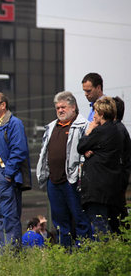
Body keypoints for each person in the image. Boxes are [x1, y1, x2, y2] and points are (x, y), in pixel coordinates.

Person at [36, 91, 91, 247]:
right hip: (53, 181)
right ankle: (64, 254)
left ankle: (83, 252)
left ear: (73, 107)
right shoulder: (51, 127)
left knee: (80, 219)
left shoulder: (83, 125)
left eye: (63, 107)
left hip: (73, 180)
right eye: (57, 108)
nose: (60, 110)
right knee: (59, 222)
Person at [0, 92, 31, 248]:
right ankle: (5, 255)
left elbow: (19, 150)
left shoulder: (14, 123)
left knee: (10, 218)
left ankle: (13, 256)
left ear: (3, 105)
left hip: (4, 178)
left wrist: (8, 174)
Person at [77, 96, 123, 236]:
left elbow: (81, 146)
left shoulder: (99, 131)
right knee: (109, 224)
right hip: (111, 187)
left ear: (101, 114)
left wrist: (89, 130)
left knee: (100, 226)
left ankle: (103, 254)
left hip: (97, 189)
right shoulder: (117, 130)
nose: (94, 115)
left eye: (95, 112)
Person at [110, 96, 131, 233]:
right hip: (119, 179)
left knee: (116, 217)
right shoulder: (120, 129)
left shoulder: (116, 131)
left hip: (116, 181)